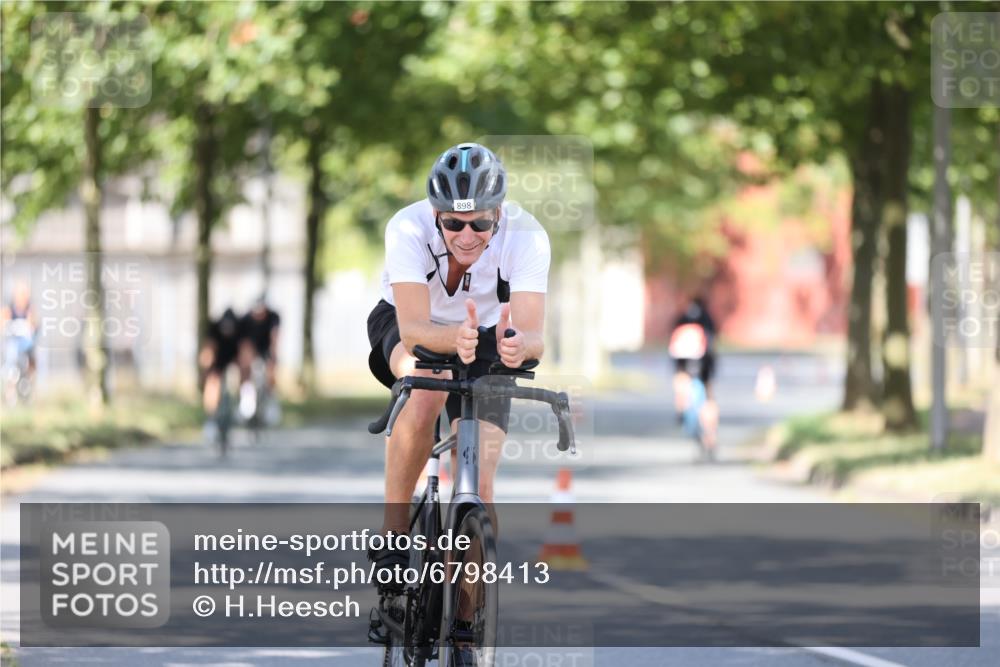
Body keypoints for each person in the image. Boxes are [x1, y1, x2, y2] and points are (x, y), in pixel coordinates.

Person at [365, 142, 551, 578]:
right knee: (425, 384)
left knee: (480, 482)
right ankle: (393, 535)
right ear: (435, 215)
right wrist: (452, 339)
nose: (467, 235)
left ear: (498, 213)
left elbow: (533, 336)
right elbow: (412, 332)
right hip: (409, 323)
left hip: (487, 334)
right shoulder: (406, 228)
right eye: (453, 222)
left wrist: (517, 346)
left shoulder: (528, 237)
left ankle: (468, 626)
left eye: (480, 223)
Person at [669, 295, 720, 453]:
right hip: (704, 364)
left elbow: (673, 344)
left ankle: (681, 411)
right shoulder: (707, 319)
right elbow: (713, 342)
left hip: (683, 363)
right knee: (709, 397)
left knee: (681, 383)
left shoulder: (682, 318)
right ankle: (710, 436)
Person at [199, 308, 242, 439]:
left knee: (237, 380)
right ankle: (211, 418)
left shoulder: (240, 330)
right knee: (212, 384)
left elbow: (244, 352)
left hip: (233, 362)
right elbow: (208, 353)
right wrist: (206, 372)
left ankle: (239, 405)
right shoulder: (214, 329)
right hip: (217, 363)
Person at [238, 297, 280, 422]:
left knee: (271, 369)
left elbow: (275, 337)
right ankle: (246, 395)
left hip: (266, 347)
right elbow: (244, 343)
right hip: (252, 346)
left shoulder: (273, 317)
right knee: (245, 364)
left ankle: (271, 399)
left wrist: (273, 356)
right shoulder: (246, 319)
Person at [2, 281, 38, 381]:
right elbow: (3, 323)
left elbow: (33, 327)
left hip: (26, 342)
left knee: (16, 349)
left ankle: (23, 375)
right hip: (12, 342)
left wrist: (27, 326)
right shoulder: (10, 307)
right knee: (11, 348)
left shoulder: (29, 308)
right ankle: (10, 376)